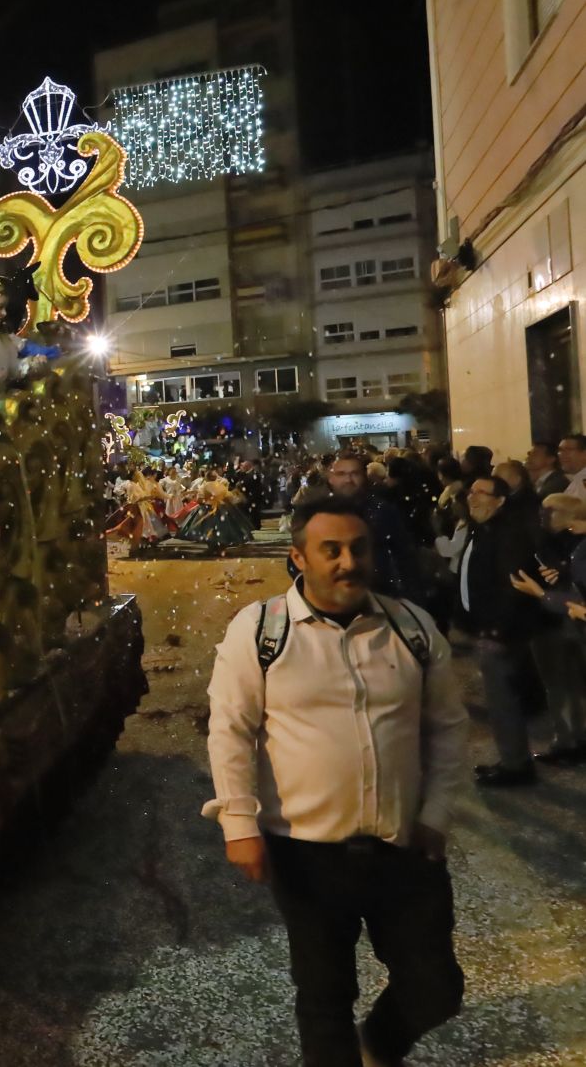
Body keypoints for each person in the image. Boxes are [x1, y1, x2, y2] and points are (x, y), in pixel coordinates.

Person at [206, 495, 466, 1067]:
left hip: (403, 844)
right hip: (305, 853)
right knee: (325, 998)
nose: (348, 562)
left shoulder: (411, 627)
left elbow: (448, 728)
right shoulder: (262, 631)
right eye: (332, 551)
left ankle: (377, 1047)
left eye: (358, 548)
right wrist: (238, 823)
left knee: (436, 987)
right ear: (299, 557)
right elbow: (230, 730)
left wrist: (436, 814)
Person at [456, 475, 543, 787]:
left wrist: (497, 629)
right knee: (499, 701)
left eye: (482, 493)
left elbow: (513, 587)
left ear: (501, 500)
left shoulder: (507, 533)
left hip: (500, 633)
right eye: (471, 491)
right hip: (487, 628)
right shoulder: (484, 527)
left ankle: (516, 766)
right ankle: (511, 758)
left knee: (504, 701)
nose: (473, 497)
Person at [511, 493, 586, 764]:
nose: (542, 514)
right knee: (569, 686)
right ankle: (573, 738)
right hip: (563, 623)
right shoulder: (566, 543)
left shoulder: (560, 546)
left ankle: (568, 742)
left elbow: (571, 594)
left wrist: (540, 594)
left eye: (549, 510)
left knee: (561, 686)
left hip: (559, 622)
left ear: (569, 516)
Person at [322, 454, 414, 597]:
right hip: (333, 597)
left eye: (354, 474)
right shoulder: (318, 515)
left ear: (364, 476)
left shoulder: (384, 510)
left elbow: (404, 555)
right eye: (341, 474)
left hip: (382, 595)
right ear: (330, 478)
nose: (348, 480)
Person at [177, 472, 254, 554]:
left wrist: (203, 501)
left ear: (206, 477)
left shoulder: (205, 485)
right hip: (222, 508)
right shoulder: (221, 486)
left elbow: (200, 498)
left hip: (207, 508)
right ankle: (221, 546)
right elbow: (229, 496)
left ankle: (212, 546)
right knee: (223, 527)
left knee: (208, 527)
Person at [559, 433, 586, 498]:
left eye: (568, 450)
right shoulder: (576, 479)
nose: (562, 454)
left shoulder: (583, 480)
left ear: (584, 453)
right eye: (560, 450)